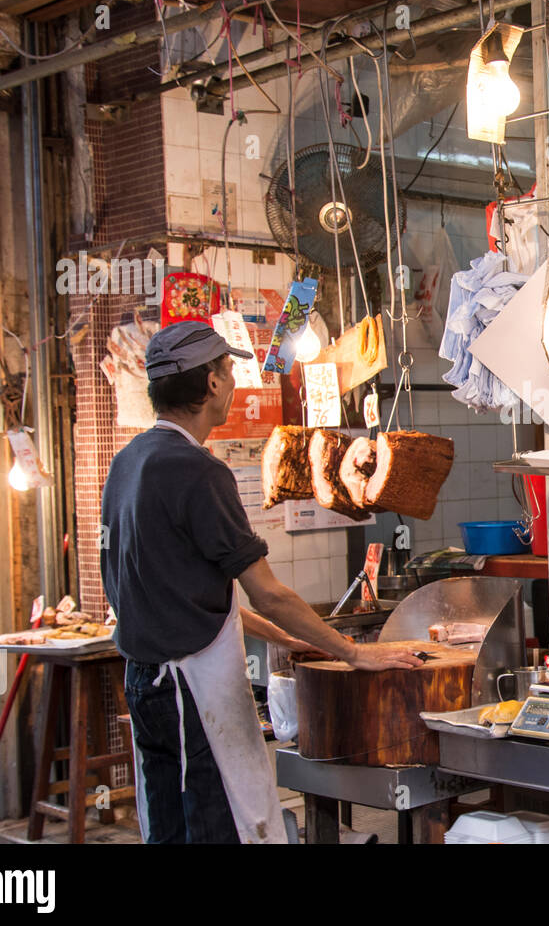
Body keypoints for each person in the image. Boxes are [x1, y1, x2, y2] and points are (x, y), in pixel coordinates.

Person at [101, 320, 419, 844]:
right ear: (210, 383)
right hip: (189, 691)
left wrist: (285, 637)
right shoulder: (197, 471)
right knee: (215, 825)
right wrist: (354, 653)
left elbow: (176, 591)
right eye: (228, 370)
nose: (232, 381)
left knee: (168, 825)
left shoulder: (127, 463)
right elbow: (266, 590)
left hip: (146, 683)